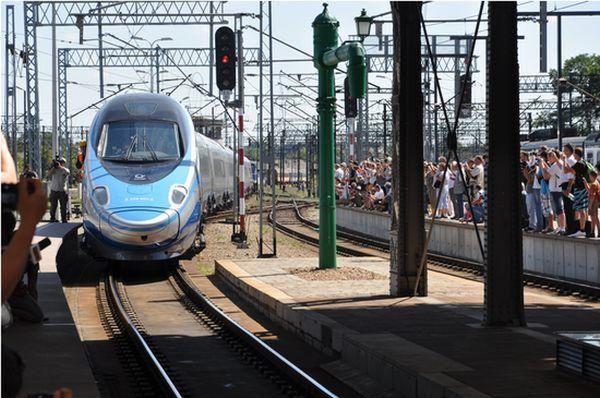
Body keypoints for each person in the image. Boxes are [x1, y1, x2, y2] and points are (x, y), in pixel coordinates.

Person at [567, 147, 590, 237]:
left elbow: (566, 170)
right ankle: (585, 229)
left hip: (579, 188)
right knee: (584, 209)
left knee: (580, 209)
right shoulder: (585, 162)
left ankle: (581, 229)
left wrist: (563, 159)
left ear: (576, 155)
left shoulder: (578, 164)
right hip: (584, 188)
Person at [47, 157, 70, 223]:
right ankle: (52, 219)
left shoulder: (64, 169)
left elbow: (67, 172)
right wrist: (54, 167)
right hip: (54, 190)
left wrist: (60, 167)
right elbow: (48, 174)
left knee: (63, 207)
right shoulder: (54, 170)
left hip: (62, 190)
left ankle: (64, 219)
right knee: (53, 206)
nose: (60, 163)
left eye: (61, 162)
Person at [584, 170, 599, 238]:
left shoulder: (593, 184)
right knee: (595, 218)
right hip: (596, 202)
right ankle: (595, 231)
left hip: (594, 202)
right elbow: (590, 191)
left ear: (592, 176)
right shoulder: (596, 183)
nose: (589, 177)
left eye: (589, 176)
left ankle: (593, 232)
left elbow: (592, 195)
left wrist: (590, 206)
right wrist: (585, 183)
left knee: (594, 218)